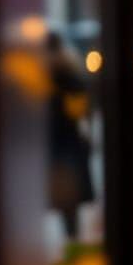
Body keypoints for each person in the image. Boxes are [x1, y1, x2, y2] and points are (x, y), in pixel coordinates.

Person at [46, 32, 94, 239]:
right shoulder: (70, 73)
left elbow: (78, 110)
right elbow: (82, 111)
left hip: (61, 143)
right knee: (67, 200)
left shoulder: (58, 77)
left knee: (66, 198)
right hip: (68, 142)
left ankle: (72, 240)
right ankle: (72, 238)